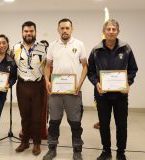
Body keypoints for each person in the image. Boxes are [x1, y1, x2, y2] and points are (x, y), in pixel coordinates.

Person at [87, 19, 138, 160]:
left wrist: (128, 82)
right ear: (104, 32)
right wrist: (96, 83)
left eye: (113, 29)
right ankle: (106, 151)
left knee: (121, 124)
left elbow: (133, 69)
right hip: (102, 95)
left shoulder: (126, 48)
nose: (111, 32)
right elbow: (90, 71)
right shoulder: (96, 50)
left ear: (118, 31)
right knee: (104, 124)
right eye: (108, 29)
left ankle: (121, 152)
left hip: (121, 95)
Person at [42, 18, 87, 160]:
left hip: (73, 91)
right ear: (58, 30)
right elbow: (47, 66)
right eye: (62, 28)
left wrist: (80, 84)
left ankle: (77, 150)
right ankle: (52, 148)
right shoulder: (52, 46)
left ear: (72, 29)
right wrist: (47, 81)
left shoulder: (79, 44)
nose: (65, 30)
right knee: (54, 121)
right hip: (55, 91)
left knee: (75, 122)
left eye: (67, 28)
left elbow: (85, 66)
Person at [13, 21, 47, 156]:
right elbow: (11, 67)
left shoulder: (44, 48)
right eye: (26, 31)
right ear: (22, 32)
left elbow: (49, 66)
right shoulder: (15, 48)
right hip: (22, 86)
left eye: (31, 31)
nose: (28, 33)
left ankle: (37, 143)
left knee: (37, 116)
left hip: (38, 86)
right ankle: (25, 141)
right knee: (24, 115)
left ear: (35, 32)